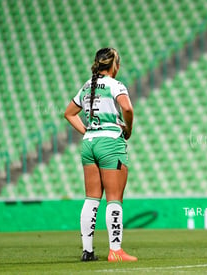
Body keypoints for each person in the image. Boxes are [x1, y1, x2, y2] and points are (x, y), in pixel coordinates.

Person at [64, 47, 137, 262]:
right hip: (109, 143)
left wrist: (87, 131)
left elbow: (69, 113)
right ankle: (115, 251)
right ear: (114, 64)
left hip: (89, 143)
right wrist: (128, 129)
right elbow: (128, 108)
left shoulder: (87, 86)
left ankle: (87, 251)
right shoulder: (116, 85)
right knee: (114, 199)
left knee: (91, 198)